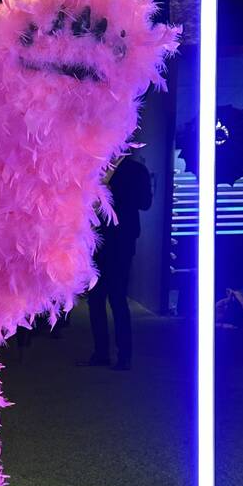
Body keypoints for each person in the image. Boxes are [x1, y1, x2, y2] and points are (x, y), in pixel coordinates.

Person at [81, 154, 152, 371]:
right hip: (96, 240)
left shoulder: (136, 169)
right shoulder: (95, 166)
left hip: (122, 241)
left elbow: (145, 203)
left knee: (118, 299)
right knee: (95, 300)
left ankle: (124, 356)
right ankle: (101, 353)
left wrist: (111, 190)